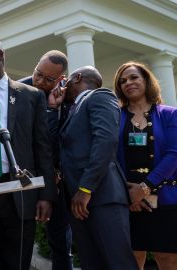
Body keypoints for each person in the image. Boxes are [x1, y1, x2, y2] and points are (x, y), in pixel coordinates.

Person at [0, 37, 56, 270]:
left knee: (16, 260)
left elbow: (42, 147)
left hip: (18, 190)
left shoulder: (32, 95)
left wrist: (46, 194)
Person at [59, 65, 138, 270]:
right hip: (79, 202)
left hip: (101, 196)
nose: (61, 86)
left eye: (65, 81)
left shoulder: (99, 96)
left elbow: (105, 141)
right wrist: (52, 107)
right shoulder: (71, 109)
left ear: (76, 78)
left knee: (118, 263)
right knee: (92, 264)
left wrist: (86, 188)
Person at [113, 61, 177, 270]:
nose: (128, 83)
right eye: (123, 81)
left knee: (168, 259)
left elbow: (174, 154)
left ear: (146, 80)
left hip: (166, 199)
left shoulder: (169, 114)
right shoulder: (115, 117)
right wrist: (128, 192)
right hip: (127, 200)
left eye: (133, 77)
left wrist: (144, 188)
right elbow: (108, 157)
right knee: (131, 260)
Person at [20, 50, 73, 270]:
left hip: (58, 182)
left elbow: (52, 143)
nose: (40, 82)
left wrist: (52, 109)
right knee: (19, 241)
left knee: (60, 243)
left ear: (61, 80)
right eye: (37, 73)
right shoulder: (19, 90)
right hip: (25, 178)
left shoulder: (67, 97)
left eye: (48, 79)